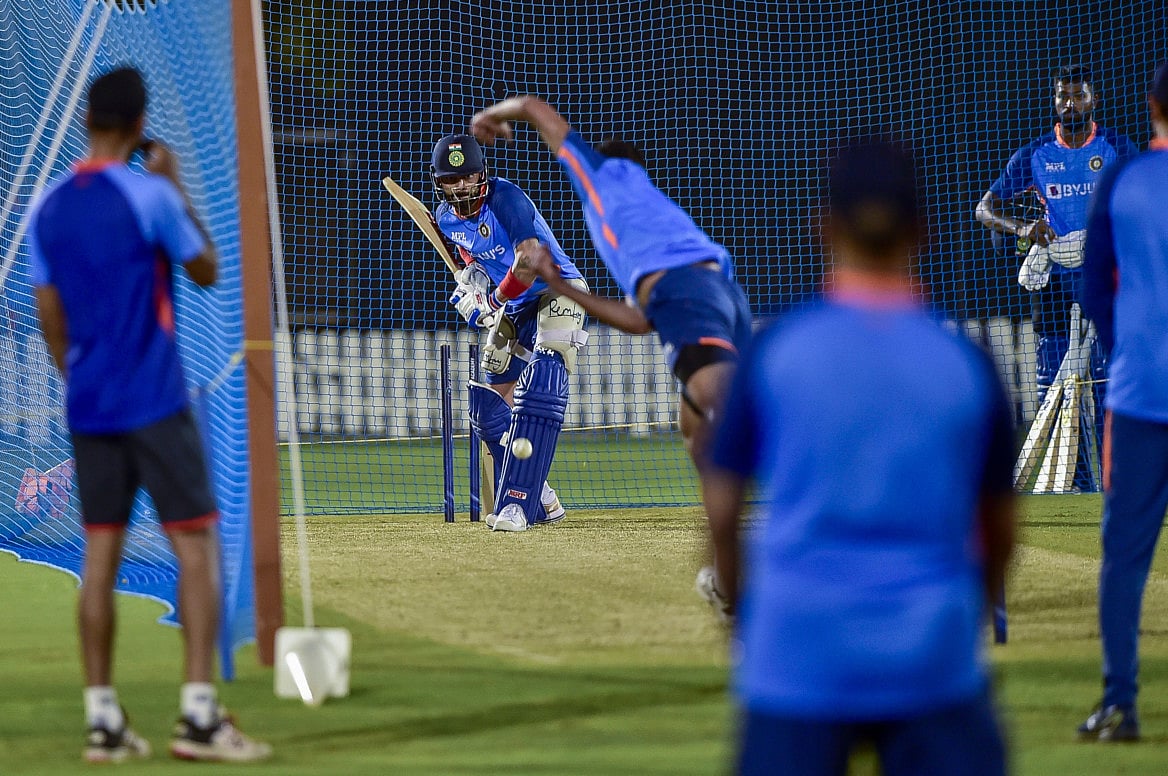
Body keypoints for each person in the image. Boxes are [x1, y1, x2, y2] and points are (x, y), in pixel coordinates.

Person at [706, 141, 1016, 775]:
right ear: (923, 232)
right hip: (933, 659)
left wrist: (748, 621)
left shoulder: (776, 352)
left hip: (798, 647)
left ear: (824, 226)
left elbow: (720, 511)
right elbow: (1000, 535)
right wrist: (960, 618)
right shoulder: (969, 367)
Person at [27, 66, 270, 763]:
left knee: (98, 555)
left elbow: (50, 315)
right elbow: (206, 270)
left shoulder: (49, 207)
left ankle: (102, 719)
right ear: (139, 125)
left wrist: (78, 376)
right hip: (156, 401)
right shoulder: (148, 194)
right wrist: (176, 187)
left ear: (84, 121)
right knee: (195, 548)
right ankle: (197, 717)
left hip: (90, 402)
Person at [976, 64, 1138, 491]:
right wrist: (1024, 229)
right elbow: (984, 209)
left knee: (1108, 381)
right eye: (1063, 96)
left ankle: (1115, 481)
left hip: (1106, 278)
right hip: (1054, 283)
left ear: (1093, 100)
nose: (1070, 104)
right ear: (1055, 102)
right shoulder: (1036, 154)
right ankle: (1077, 485)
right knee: (1053, 382)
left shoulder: (1117, 147)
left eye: (1078, 95)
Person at [430, 133, 589, 532]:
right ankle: (541, 498)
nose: (461, 185)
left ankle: (515, 505)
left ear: (482, 174)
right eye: (452, 179)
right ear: (439, 182)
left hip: (558, 290)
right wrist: (473, 278)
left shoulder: (506, 199)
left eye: (468, 176)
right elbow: (475, 256)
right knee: (489, 405)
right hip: (516, 304)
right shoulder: (446, 218)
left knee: (543, 380)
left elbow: (529, 260)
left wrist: (491, 302)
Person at [1076, 61, 1168, 744]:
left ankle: (1120, 705)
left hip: (1141, 398)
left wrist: (1127, 348)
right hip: (1141, 392)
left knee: (1125, 556)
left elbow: (1094, 291)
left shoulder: (1125, 177)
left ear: (1152, 105)